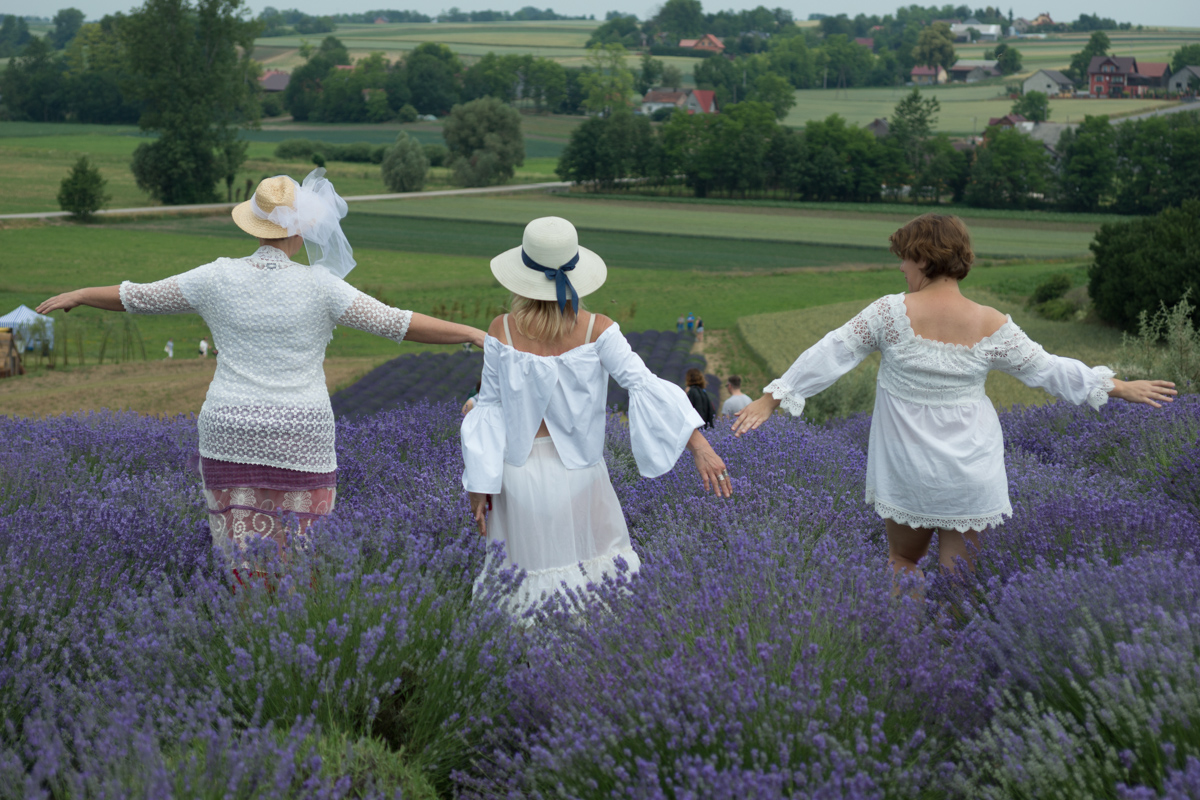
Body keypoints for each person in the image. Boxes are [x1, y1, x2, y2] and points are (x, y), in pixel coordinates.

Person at [37, 169, 486, 572]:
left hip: (229, 429)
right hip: (301, 433)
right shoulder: (321, 286)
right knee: (300, 563)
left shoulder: (215, 276)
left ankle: (245, 636)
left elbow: (137, 296)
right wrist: (469, 331)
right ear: (302, 229)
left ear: (253, 223)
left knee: (241, 560)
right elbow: (397, 323)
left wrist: (80, 292)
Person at [731, 214, 1176, 586]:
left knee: (903, 564)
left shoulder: (889, 312)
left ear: (923, 258)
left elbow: (833, 351)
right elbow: (1048, 369)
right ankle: (952, 661)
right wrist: (1119, 386)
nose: (901, 268)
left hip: (908, 470)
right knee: (959, 582)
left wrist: (773, 398)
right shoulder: (991, 322)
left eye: (905, 258)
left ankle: (907, 658)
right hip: (971, 471)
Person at [461, 217, 731, 613]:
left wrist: (478, 483)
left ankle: (524, 670)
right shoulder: (597, 330)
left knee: (522, 584)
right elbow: (644, 385)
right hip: (581, 477)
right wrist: (699, 444)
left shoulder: (500, 329)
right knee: (596, 582)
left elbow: (487, 409)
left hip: (516, 479)